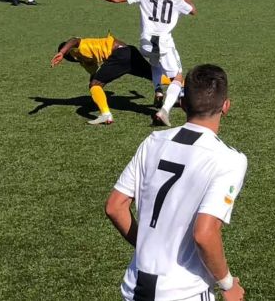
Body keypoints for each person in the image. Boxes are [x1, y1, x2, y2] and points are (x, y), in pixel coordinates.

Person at [105, 64, 247, 301]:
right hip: (185, 292)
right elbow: (204, 234)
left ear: (182, 103)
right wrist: (228, 284)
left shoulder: (153, 141)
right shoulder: (229, 159)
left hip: (135, 286)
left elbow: (115, 206)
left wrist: (146, 245)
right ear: (226, 107)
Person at [77, 0, 196, 127]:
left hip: (146, 44)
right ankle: (164, 111)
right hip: (163, 43)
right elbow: (193, 11)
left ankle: (158, 89)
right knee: (178, 77)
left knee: (155, 63)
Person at [52, 34, 172, 125]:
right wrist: (93, 96)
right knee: (153, 75)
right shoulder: (84, 59)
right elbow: (95, 75)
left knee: (95, 85)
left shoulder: (80, 46)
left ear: (69, 52)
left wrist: (62, 52)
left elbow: (74, 40)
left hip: (119, 54)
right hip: (129, 51)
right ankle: (181, 85)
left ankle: (106, 115)